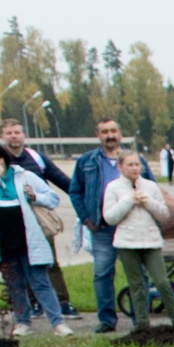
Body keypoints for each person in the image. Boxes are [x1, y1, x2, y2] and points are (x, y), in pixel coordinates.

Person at [0, 141, 67, 336]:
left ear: (5, 158)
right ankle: (22, 322)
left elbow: (53, 199)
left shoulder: (24, 175)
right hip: (2, 241)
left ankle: (58, 323)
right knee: (14, 283)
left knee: (40, 281)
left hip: (27, 238)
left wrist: (35, 196)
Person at [69, 118, 135, 332]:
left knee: (136, 273)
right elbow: (75, 190)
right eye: (104, 131)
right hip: (102, 227)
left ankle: (140, 319)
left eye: (113, 130)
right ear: (98, 135)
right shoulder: (87, 161)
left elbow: (150, 186)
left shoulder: (133, 159)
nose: (110, 135)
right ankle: (107, 320)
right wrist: (86, 218)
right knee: (102, 273)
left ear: (120, 133)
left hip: (131, 226)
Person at [101, 150, 172, 326]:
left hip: (151, 241)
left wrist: (148, 201)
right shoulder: (113, 187)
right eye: (130, 165)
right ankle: (141, 324)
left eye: (137, 164)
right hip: (127, 242)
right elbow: (109, 217)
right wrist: (129, 201)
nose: (134, 168)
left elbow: (164, 214)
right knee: (136, 285)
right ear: (120, 167)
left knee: (162, 282)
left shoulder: (150, 186)